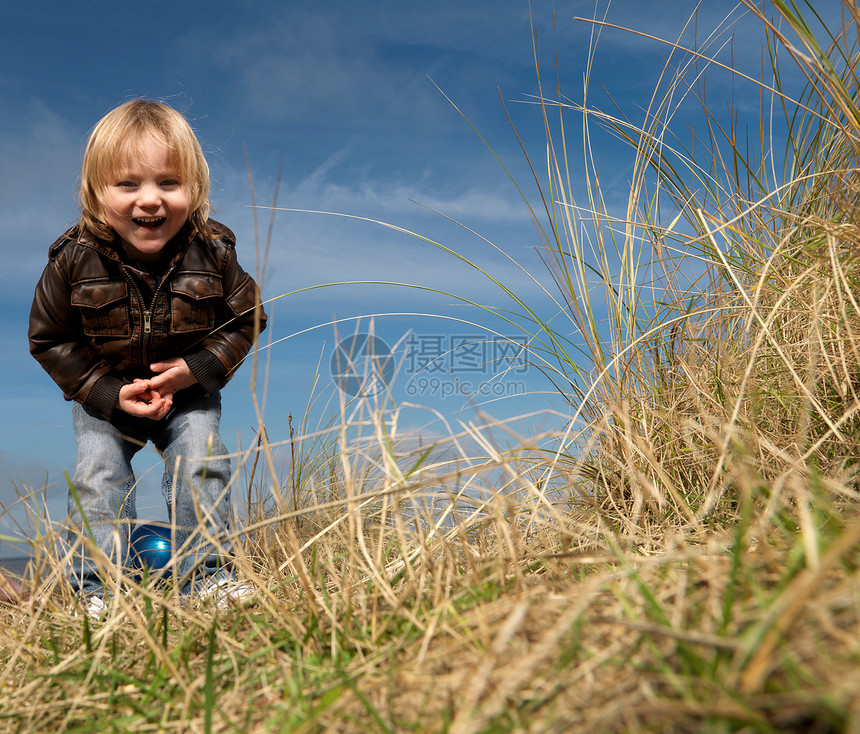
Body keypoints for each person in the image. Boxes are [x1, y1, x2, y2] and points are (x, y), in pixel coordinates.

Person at [28, 100, 266, 615]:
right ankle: (94, 587)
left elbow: (248, 318)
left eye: (169, 183)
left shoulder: (214, 250)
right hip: (107, 397)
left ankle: (208, 575)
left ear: (194, 190)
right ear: (95, 193)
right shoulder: (72, 258)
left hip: (186, 394)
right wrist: (108, 392)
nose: (150, 200)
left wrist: (195, 371)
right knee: (99, 471)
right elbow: (50, 339)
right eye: (128, 184)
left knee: (202, 458)